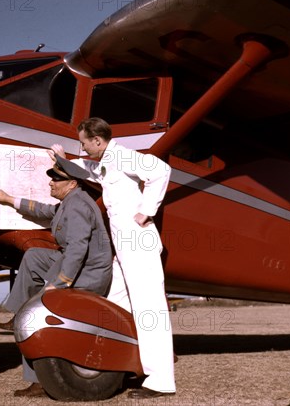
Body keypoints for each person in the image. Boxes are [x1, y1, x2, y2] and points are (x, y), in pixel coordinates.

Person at [51, 117, 175, 399]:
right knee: (113, 304)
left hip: (138, 242)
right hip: (123, 247)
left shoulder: (122, 156)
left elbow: (160, 170)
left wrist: (147, 209)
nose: (82, 149)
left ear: (97, 140)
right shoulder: (105, 162)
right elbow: (85, 169)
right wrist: (61, 159)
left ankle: (160, 380)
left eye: (84, 143)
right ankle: (120, 364)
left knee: (148, 309)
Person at [0, 162, 113, 398]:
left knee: (36, 310)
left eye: (56, 179)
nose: (50, 182)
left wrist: (60, 283)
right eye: (51, 178)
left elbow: (77, 248)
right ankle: (17, 313)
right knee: (34, 255)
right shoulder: (71, 200)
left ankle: (39, 380)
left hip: (89, 274)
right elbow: (45, 211)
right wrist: (9, 199)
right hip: (76, 263)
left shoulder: (77, 206)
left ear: (72, 184)